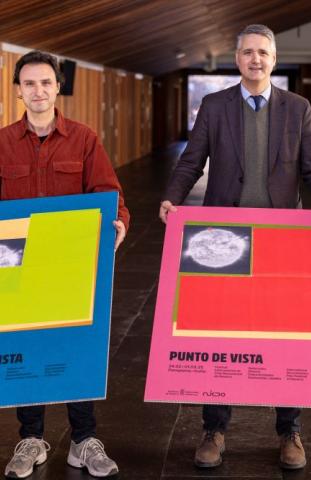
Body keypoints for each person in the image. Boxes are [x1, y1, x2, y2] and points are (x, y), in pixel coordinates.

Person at [160, 24, 311, 470]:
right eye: (247, 52)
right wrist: (172, 197)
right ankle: (214, 429)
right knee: (221, 333)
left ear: (274, 58)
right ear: (237, 58)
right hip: (227, 238)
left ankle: (290, 431)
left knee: (287, 335)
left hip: (284, 240)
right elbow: (192, 159)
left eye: (263, 52)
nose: (255, 59)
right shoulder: (214, 104)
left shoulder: (298, 108)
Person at [0, 50, 130, 479]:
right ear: (18, 91)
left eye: (45, 82)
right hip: (17, 270)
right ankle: (31, 439)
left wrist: (119, 224)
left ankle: (83, 441)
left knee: (77, 346)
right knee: (27, 347)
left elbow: (108, 192)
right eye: (29, 83)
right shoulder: (1, 143)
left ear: (58, 87)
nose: (38, 90)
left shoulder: (84, 138)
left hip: (70, 267)